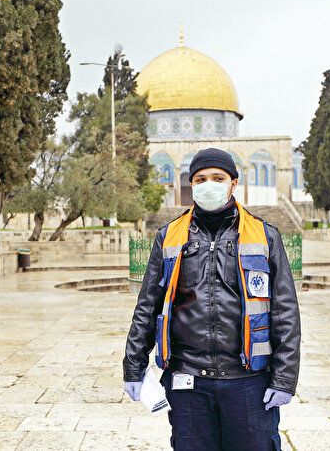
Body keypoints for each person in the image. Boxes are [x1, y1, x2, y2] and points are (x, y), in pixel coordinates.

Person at [123, 148, 301, 450]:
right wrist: (133, 365)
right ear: (191, 184)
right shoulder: (169, 236)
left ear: (233, 183)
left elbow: (285, 313)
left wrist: (284, 379)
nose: (209, 184)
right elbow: (148, 306)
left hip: (249, 382)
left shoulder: (265, 235)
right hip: (188, 381)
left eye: (218, 178)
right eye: (201, 179)